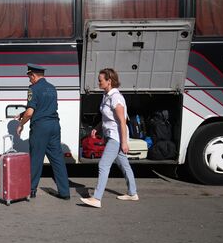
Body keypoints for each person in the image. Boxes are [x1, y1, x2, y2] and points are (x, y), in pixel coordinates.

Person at [80, 68, 138, 208]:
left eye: (100, 80)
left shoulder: (115, 98)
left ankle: (97, 198)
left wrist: (124, 142)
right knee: (124, 164)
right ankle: (132, 193)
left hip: (116, 137)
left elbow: (122, 122)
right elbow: (108, 118)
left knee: (103, 165)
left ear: (109, 81)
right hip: (110, 135)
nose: (98, 83)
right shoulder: (106, 95)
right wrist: (97, 128)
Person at [16, 63, 70, 200]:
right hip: (54, 125)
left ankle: (31, 190)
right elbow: (44, 106)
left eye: (29, 77)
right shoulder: (52, 88)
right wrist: (23, 113)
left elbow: (30, 112)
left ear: (33, 75)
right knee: (57, 159)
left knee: (36, 159)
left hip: (40, 127)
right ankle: (65, 192)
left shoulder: (33, 88)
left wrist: (21, 124)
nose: (29, 80)